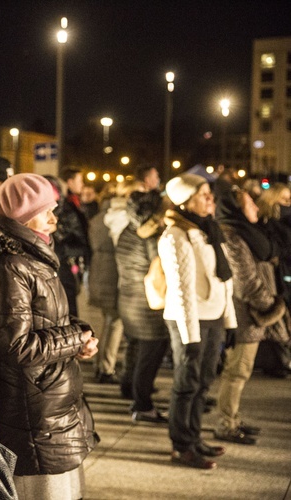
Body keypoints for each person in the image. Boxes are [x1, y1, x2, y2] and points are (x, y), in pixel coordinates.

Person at [0, 173, 99, 500]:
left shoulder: (34, 256)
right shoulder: (10, 265)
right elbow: (16, 346)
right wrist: (75, 337)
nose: (55, 218)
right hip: (33, 406)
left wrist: (79, 338)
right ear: (24, 216)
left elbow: (46, 321)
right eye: (47, 211)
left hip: (50, 398)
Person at [160, 173, 237, 469]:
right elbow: (182, 289)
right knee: (187, 383)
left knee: (204, 381)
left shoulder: (207, 229)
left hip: (213, 315)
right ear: (185, 201)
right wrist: (190, 336)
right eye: (203, 195)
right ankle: (182, 446)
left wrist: (229, 321)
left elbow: (223, 280)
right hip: (189, 320)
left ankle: (194, 438)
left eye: (210, 194)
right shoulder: (175, 235)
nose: (210, 200)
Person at [214, 185, 287, 445]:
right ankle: (226, 424)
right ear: (235, 208)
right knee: (237, 371)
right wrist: (270, 306)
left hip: (253, 313)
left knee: (241, 371)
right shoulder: (231, 235)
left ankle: (233, 418)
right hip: (246, 314)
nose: (256, 206)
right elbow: (246, 281)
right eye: (249, 203)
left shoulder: (245, 231)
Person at [116, 189, 170, 422]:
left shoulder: (128, 230)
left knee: (138, 352)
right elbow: (160, 267)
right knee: (150, 357)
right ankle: (143, 405)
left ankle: (134, 392)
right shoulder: (150, 236)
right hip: (148, 306)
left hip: (129, 299)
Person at [87, 183, 125, 384]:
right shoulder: (118, 219)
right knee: (115, 322)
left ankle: (100, 364)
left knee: (107, 321)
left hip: (98, 270)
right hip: (113, 272)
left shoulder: (97, 219)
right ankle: (106, 367)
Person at [255, 184, 291, 378]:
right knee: (279, 318)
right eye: (284, 199)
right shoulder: (270, 221)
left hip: (283, 271)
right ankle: (278, 361)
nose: (288, 203)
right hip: (279, 275)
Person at [54, 167, 91, 317]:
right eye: (79, 181)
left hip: (71, 261)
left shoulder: (73, 203)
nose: (82, 185)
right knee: (69, 308)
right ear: (69, 182)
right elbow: (64, 238)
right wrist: (80, 249)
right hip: (66, 262)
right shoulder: (65, 207)